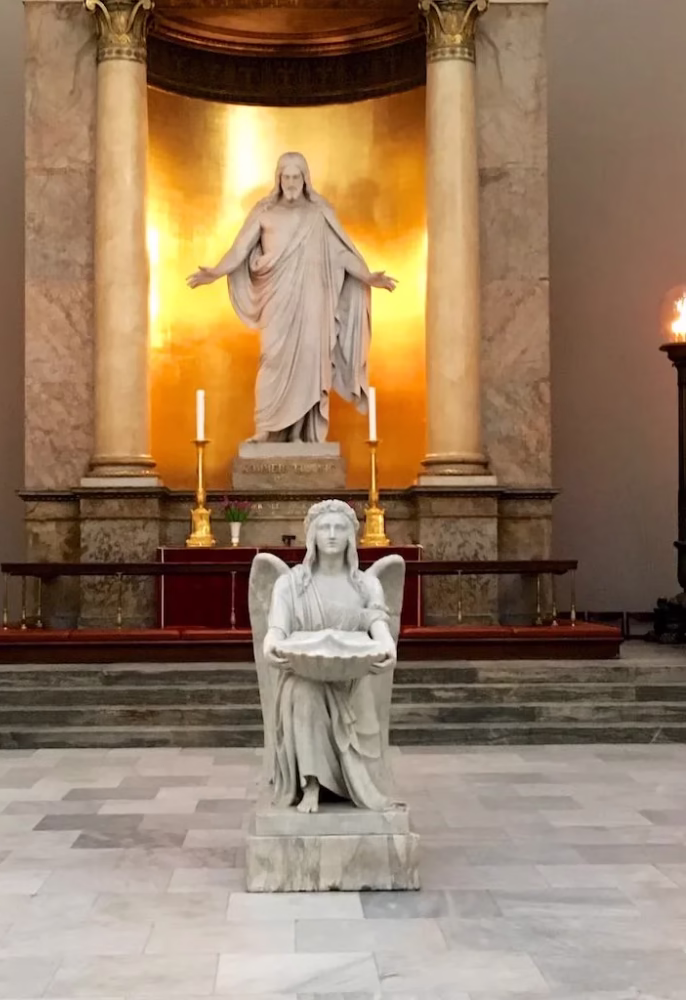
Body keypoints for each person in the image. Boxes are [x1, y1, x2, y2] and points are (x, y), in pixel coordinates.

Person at [187, 152, 396, 443]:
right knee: (271, 358)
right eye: (286, 177)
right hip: (277, 299)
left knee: (309, 361)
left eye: (296, 177)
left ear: (305, 179)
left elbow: (341, 254)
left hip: (312, 301)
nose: (291, 183)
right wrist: (215, 272)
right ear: (278, 179)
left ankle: (299, 434)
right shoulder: (265, 212)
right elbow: (239, 250)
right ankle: (266, 429)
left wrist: (369, 276)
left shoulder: (318, 214)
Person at [261, 500, 399, 813]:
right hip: (303, 675)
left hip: (350, 680)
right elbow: (277, 629)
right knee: (305, 691)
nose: (332, 534)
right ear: (312, 535)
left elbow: (376, 622)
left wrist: (387, 645)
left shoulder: (366, 584)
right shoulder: (290, 584)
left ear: (352, 535)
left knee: (311, 690)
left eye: (340, 528)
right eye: (325, 527)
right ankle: (310, 784)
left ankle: (342, 777)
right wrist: (269, 643)